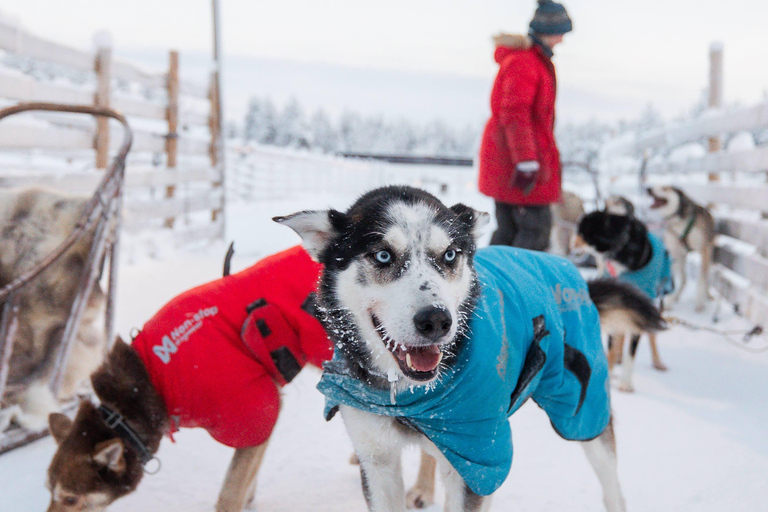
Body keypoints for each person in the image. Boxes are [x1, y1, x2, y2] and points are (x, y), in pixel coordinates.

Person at [478, 0, 573, 251]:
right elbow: (515, 113)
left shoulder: (532, 61)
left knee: (509, 231)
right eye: (561, 32)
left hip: (516, 161)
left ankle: (490, 285)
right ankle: (518, 287)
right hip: (519, 165)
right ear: (548, 30)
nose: (562, 40)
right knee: (534, 231)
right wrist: (526, 161)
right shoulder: (525, 62)